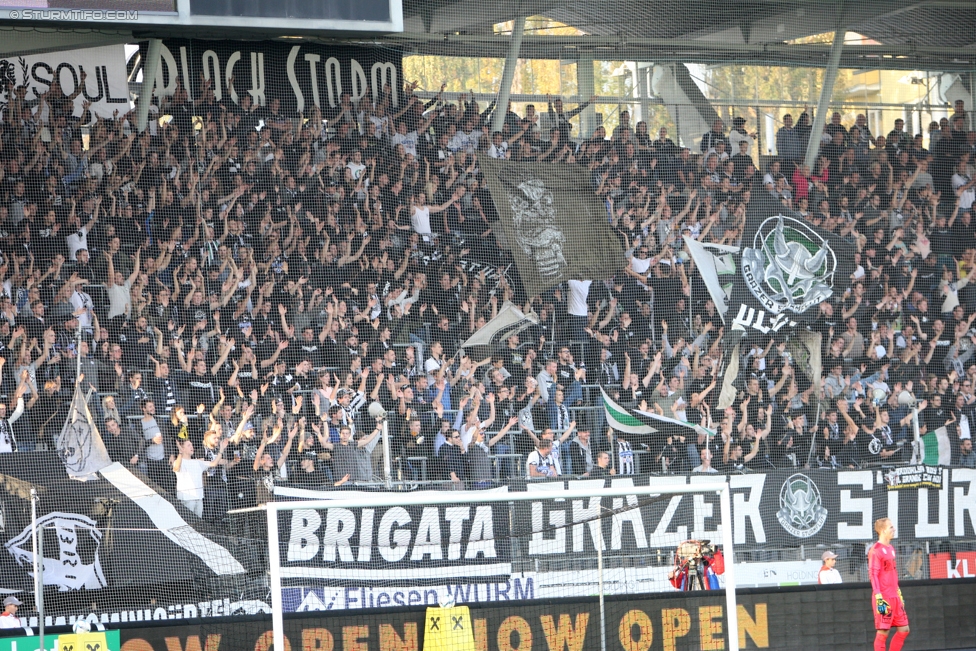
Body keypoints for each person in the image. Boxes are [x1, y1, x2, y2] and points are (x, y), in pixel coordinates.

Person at [870, 518, 909, 651]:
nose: (894, 529)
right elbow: (873, 574)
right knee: (883, 633)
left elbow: (892, 573)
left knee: (904, 629)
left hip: (895, 597)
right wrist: (878, 597)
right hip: (884, 598)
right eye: (891, 527)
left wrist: (899, 594)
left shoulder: (891, 549)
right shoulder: (875, 550)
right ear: (882, 530)